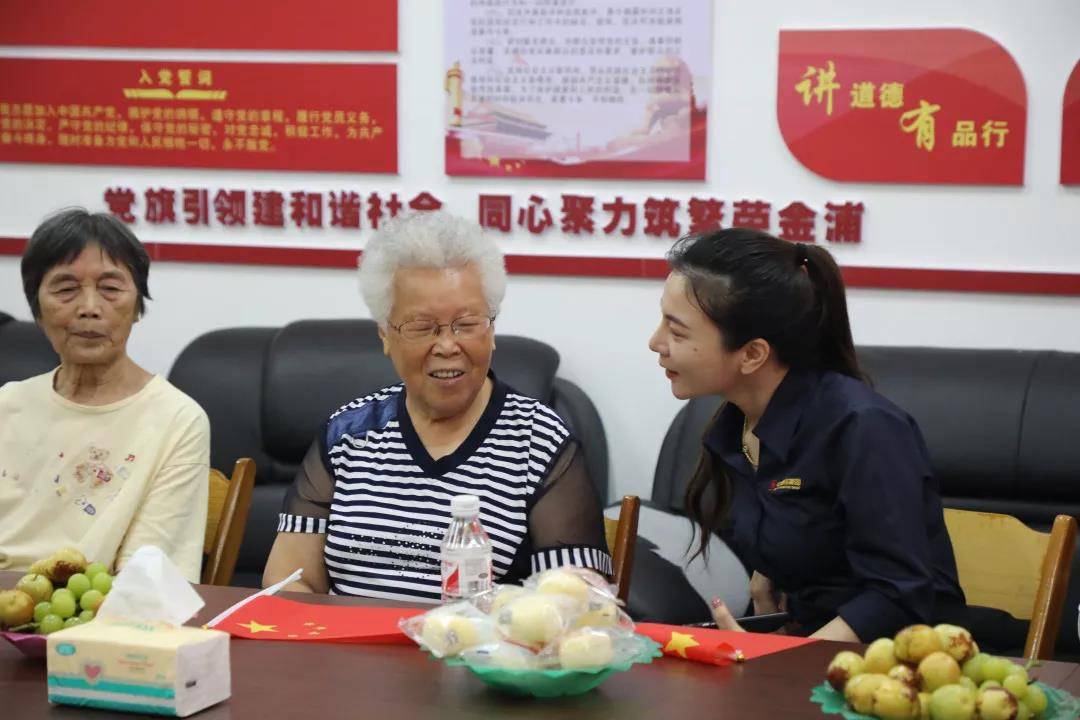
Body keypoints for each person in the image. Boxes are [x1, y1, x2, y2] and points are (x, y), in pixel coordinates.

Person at [263, 211, 610, 601]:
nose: (447, 345)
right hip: (348, 642)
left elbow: (574, 604)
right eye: (422, 327)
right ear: (385, 335)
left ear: (492, 329)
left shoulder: (538, 443)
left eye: (467, 323)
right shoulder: (347, 436)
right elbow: (289, 584)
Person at [648, 228, 966, 642]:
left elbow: (898, 596)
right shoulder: (737, 424)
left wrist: (780, 659)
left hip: (907, 658)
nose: (655, 342)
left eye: (677, 332)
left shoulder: (864, 428)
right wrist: (768, 587)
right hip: (809, 646)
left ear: (752, 354)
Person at [0, 209, 210, 582]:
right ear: (37, 309)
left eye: (110, 289)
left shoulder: (176, 420)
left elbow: (148, 579)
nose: (89, 309)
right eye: (66, 289)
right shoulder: (7, 405)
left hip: (91, 609)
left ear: (138, 307)